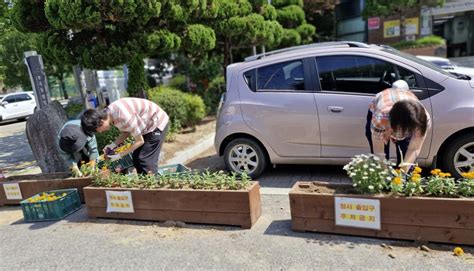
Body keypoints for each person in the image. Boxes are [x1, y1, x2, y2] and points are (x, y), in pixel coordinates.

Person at [81, 97, 169, 174]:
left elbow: (139, 141)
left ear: (101, 122)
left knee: (145, 159)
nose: (100, 132)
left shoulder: (124, 116)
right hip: (146, 127)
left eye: (98, 130)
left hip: (157, 123)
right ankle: (144, 186)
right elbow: (126, 132)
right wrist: (112, 145)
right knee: (136, 158)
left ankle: (153, 189)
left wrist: (119, 155)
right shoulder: (111, 114)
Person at [365, 80, 431, 171]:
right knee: (381, 159)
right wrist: (384, 174)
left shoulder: (423, 120)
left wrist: (402, 174)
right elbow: (379, 150)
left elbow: (414, 149)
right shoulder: (381, 118)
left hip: (402, 112)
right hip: (383, 102)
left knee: (406, 150)